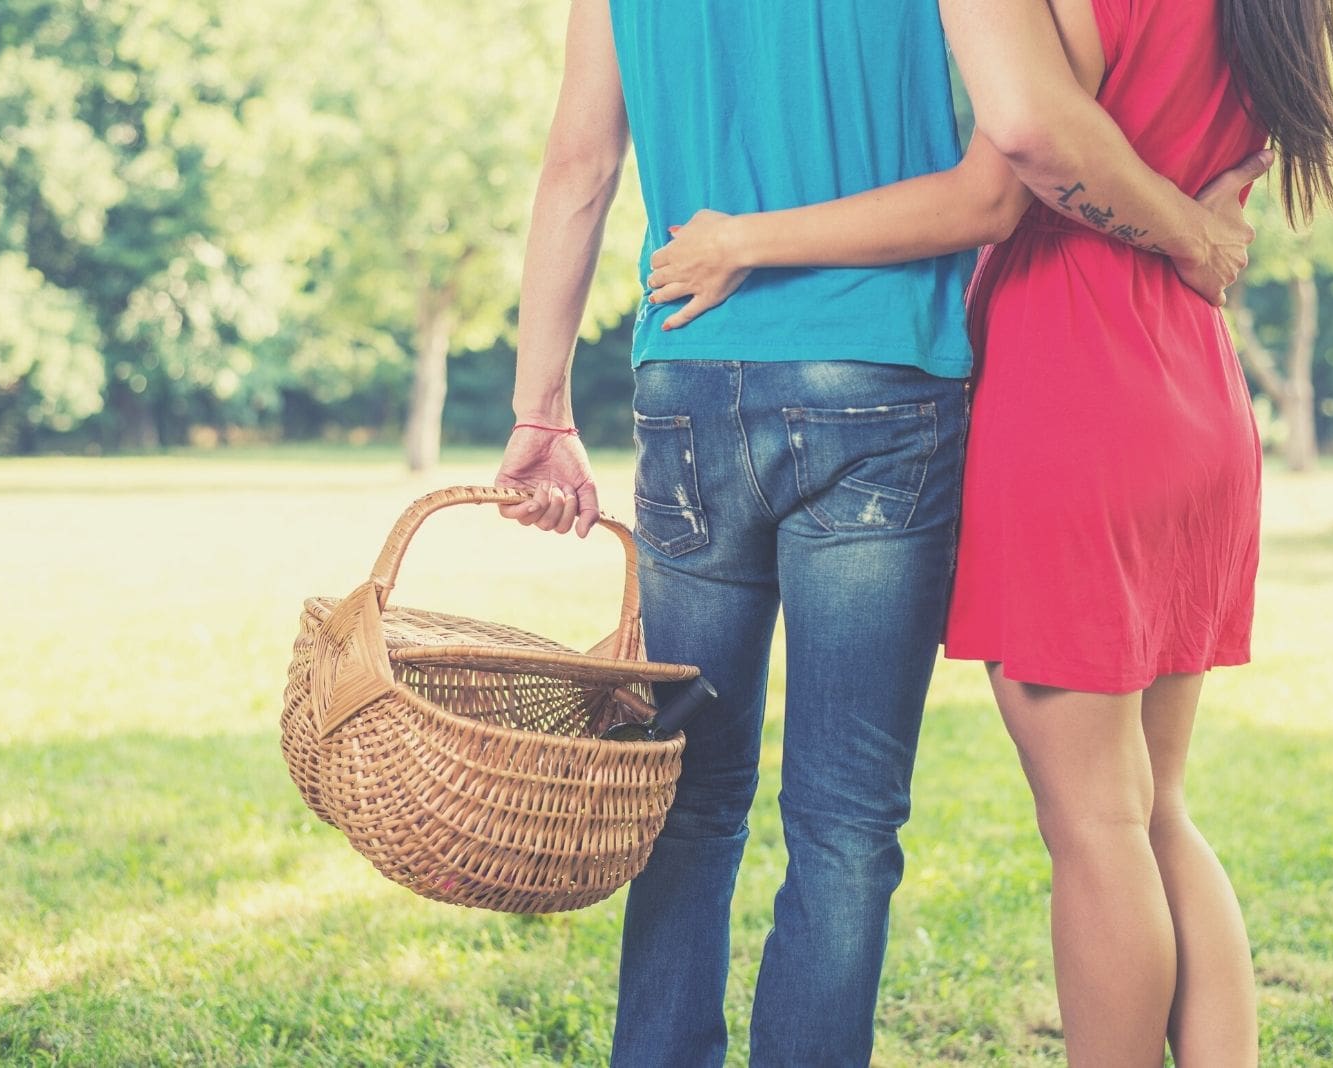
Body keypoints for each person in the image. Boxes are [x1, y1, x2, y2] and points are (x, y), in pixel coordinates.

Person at [493, 1, 1274, 1064]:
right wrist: (1189, 227)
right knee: (846, 823)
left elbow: (577, 165)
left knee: (683, 794)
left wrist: (540, 408)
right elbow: (1008, 166)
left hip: (687, 370)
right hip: (884, 384)